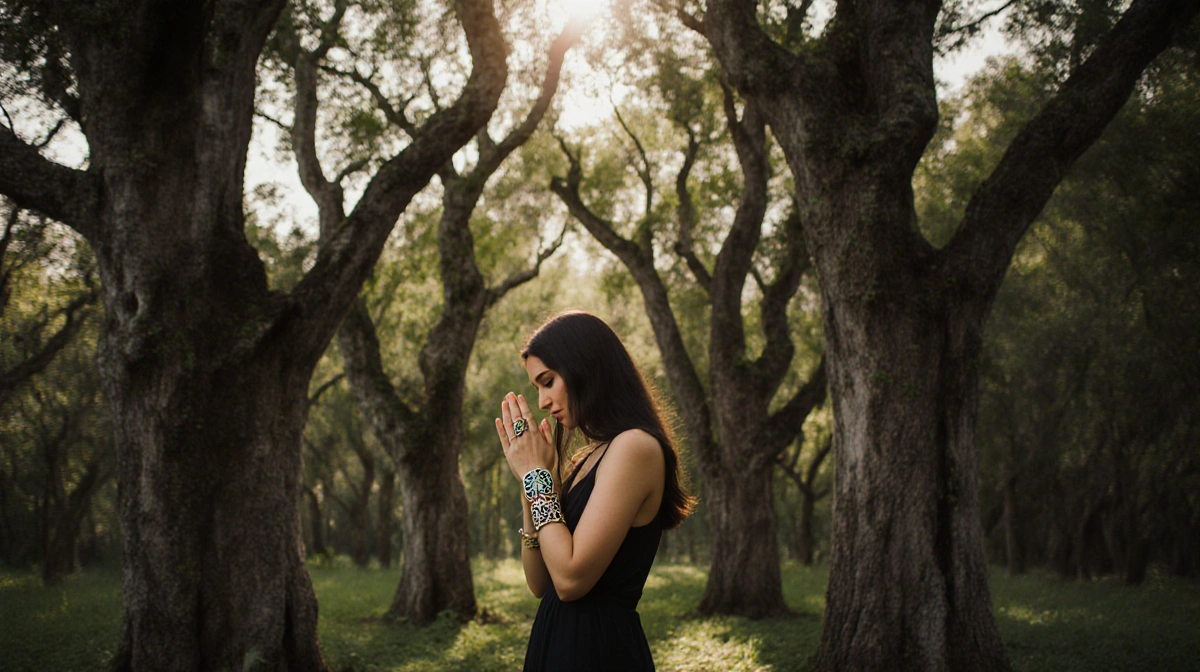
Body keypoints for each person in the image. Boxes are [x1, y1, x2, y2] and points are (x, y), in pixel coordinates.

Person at [495, 311, 695, 672]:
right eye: (537, 388)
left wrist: (537, 476)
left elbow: (570, 579)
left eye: (548, 381)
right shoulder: (588, 458)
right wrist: (532, 483)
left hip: (597, 650)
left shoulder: (635, 448)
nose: (542, 401)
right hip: (553, 643)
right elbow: (541, 582)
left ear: (585, 366)